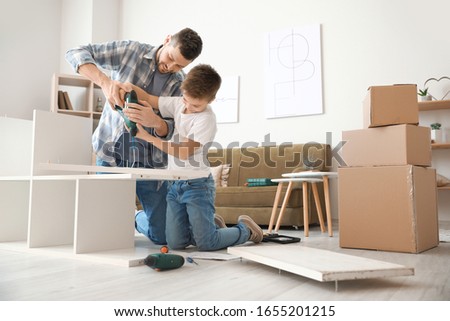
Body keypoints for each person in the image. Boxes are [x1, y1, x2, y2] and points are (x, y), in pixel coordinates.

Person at [65, 28, 203, 245]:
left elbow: (176, 130)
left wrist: (157, 123)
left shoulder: (181, 84)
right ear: (166, 40)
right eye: (170, 59)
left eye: (179, 66)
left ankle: (135, 217)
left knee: (163, 237)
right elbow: (76, 52)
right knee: (107, 230)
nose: (171, 68)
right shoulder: (131, 51)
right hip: (112, 156)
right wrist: (105, 82)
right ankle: (125, 216)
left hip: (150, 163)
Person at [124, 64, 263, 251]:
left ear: (211, 100)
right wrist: (124, 87)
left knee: (207, 244)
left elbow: (182, 152)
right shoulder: (179, 104)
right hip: (174, 186)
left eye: (196, 105)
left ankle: (245, 230)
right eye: (186, 99)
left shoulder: (206, 119)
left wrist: (147, 137)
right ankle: (208, 228)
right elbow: (149, 98)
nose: (188, 106)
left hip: (197, 186)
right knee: (175, 244)